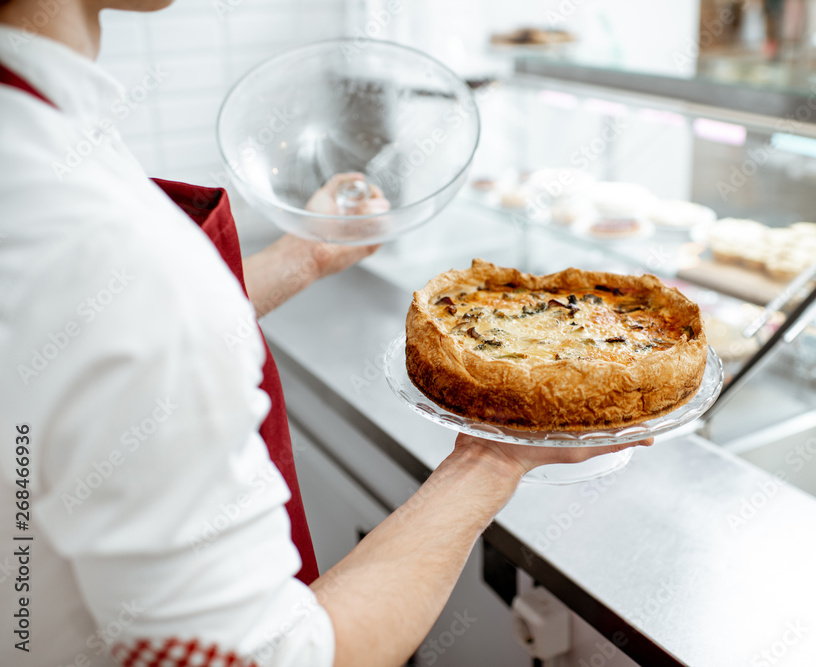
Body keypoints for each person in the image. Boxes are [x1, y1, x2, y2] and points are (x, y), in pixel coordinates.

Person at [0, 1, 650, 665]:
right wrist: (497, 455)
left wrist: (302, 256)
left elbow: (102, 330)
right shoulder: (96, 235)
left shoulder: (34, 147)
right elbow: (272, 658)